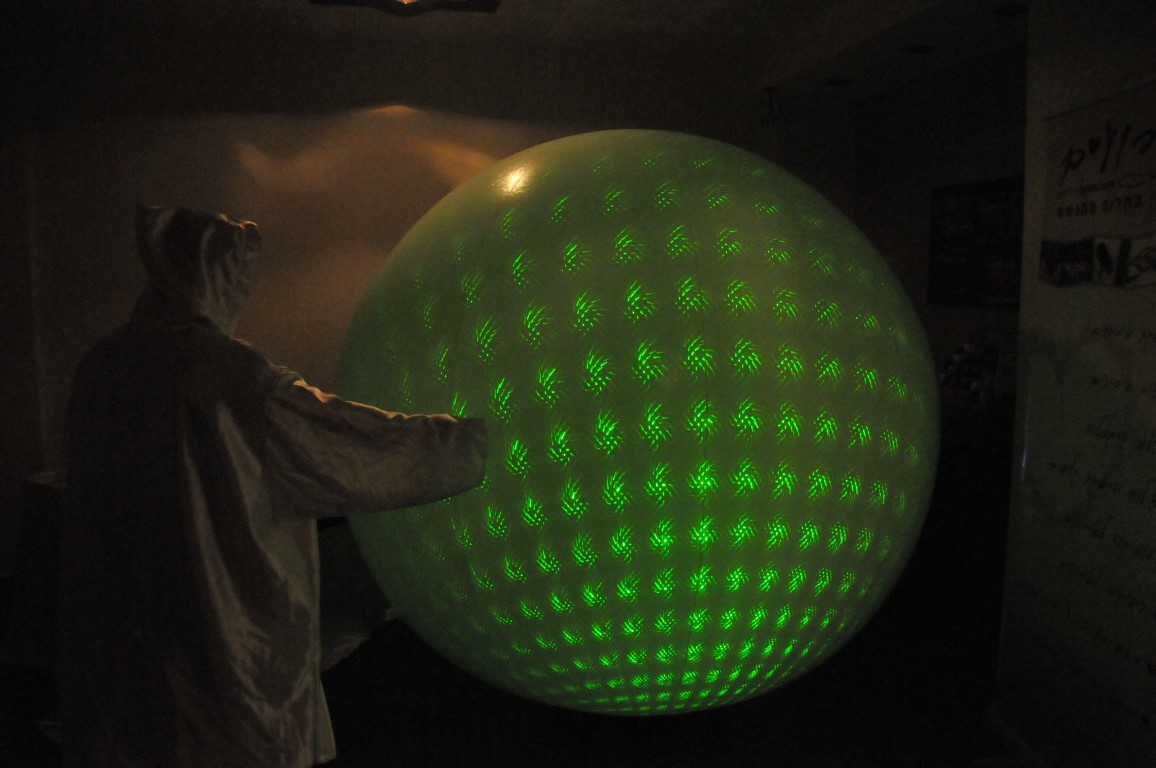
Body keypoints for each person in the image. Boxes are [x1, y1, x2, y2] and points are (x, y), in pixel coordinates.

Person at [57, 206, 488, 768]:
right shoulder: (232, 380)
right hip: (225, 669)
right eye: (236, 272)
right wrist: (477, 440)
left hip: (119, 675)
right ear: (212, 274)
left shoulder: (104, 365)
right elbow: (354, 451)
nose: (245, 289)